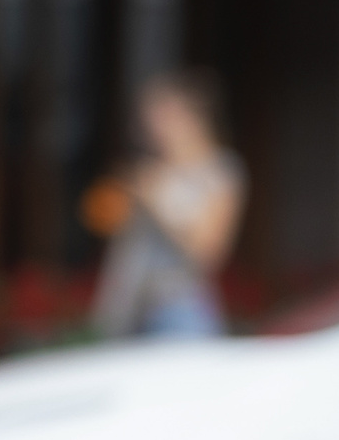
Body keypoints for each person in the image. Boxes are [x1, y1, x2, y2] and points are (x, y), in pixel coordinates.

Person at [89, 69, 244, 340]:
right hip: (130, 308)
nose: (153, 130)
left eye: (162, 119)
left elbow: (208, 251)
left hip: (179, 311)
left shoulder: (219, 172)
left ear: (191, 118)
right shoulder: (151, 169)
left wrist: (158, 201)